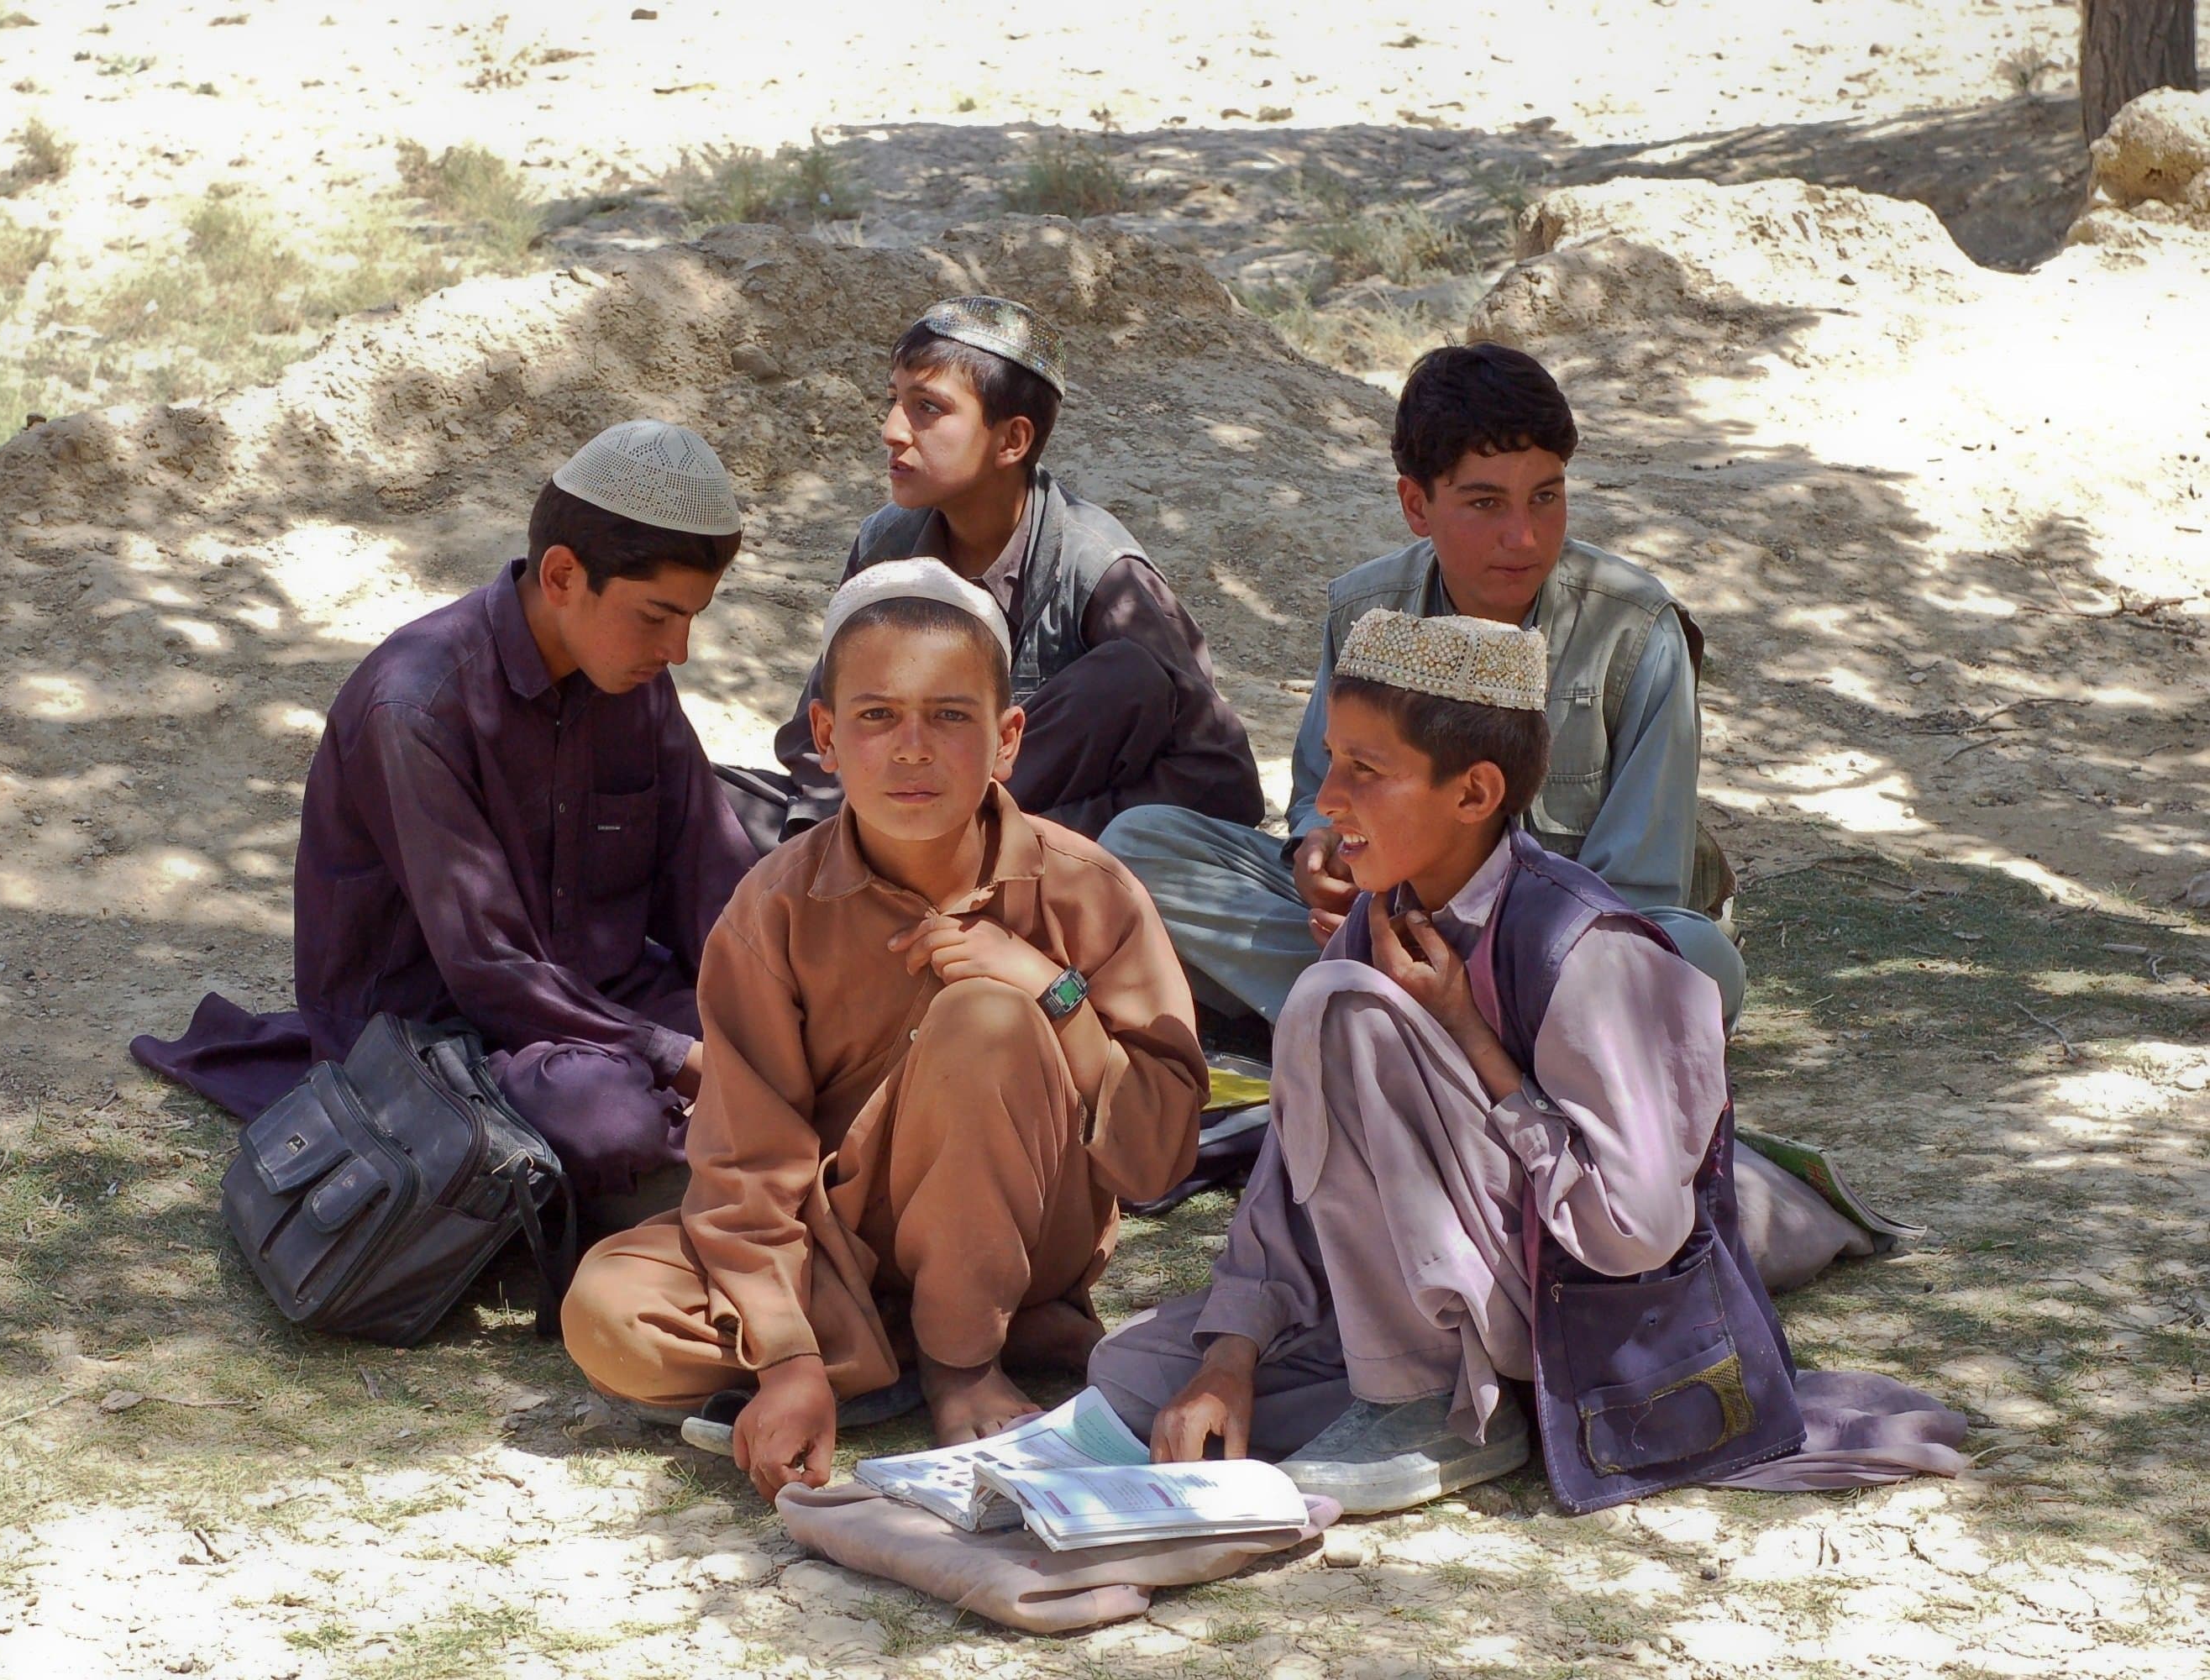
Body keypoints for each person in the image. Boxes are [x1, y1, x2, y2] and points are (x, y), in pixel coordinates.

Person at [1089, 611, 1965, 1514]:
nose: (1327, 803)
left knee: (1334, 1005)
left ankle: (1433, 1403)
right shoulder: (1380, 915)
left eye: (1365, 770)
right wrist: (1230, 1356)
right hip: (1430, 1284)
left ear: (1473, 794)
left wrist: (1469, 1033)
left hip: (1566, 1308)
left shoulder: (1581, 946)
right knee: (1133, 1372)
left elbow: (1635, 1229)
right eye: (1332, 761)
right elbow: (1290, 1171)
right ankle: (1416, 1370)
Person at [563, 559, 1207, 1499]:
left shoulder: (1087, 891)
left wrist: (1052, 992)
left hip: (1026, 1231)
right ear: (825, 734)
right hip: (838, 1245)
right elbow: (747, 1165)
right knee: (608, 1311)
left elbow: (1157, 1161)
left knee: (987, 1016)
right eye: (876, 715)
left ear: (1007, 739)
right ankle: (866, 1352)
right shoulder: (774, 909)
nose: (912, 748)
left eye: (951, 715)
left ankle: (960, 1365)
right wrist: (785, 1356)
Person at [129, 422, 758, 1224]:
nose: (680, 650)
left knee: (805, 1040)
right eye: (658, 616)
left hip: (604, 1001)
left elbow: (711, 877)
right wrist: (684, 1061)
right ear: (564, 575)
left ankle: (728, 1166)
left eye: (693, 618)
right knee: (611, 1120)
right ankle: (740, 1173)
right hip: (447, 1035)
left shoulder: (631, 675)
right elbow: (490, 968)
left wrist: (767, 1013)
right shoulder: (415, 705)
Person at [1099, 343, 1746, 1032]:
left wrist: (1476, 943)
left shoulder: (1637, 631)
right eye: (1486, 502)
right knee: (1140, 846)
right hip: (1385, 925)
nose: (1524, 536)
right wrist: (1320, 855)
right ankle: (1432, 1014)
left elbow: (1635, 890)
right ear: (1416, 504)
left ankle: (1380, 1008)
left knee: (1700, 960)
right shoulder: (1367, 612)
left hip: (1554, 946)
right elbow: (1325, 798)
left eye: (1546, 497)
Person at [717, 295, 1262, 852]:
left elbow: (1221, 783)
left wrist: (1033, 836)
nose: (892, 430)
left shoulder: (1102, 573)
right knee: (702, 799)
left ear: (1012, 440)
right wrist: (836, 841)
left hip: (1021, 848)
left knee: (1128, 676)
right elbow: (817, 738)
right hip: (879, 824)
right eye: (893, 401)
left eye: (927, 408)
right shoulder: (887, 544)